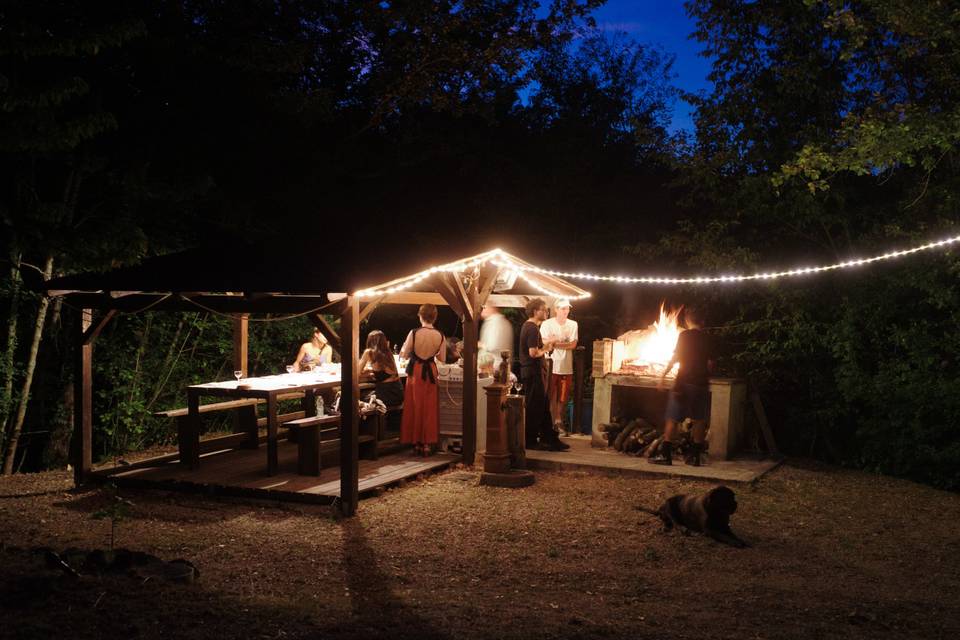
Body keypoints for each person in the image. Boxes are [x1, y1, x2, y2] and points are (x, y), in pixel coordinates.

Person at [651, 306, 713, 466]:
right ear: (703, 321)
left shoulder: (684, 335)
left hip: (683, 383)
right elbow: (711, 364)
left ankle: (666, 456)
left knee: (673, 419)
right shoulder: (708, 338)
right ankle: (695, 458)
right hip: (701, 384)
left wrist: (663, 376)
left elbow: (676, 357)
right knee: (699, 420)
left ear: (687, 320)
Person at [519, 298, 569, 451]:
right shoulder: (532, 328)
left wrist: (549, 344)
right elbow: (533, 353)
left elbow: (537, 349)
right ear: (535, 311)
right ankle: (531, 440)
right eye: (544, 309)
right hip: (533, 373)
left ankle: (549, 438)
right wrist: (547, 349)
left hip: (535, 372)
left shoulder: (530, 327)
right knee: (535, 406)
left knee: (543, 405)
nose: (547, 312)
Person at [399, 304, 446, 456]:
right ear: (435, 317)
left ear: (420, 315)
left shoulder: (414, 333)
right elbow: (442, 358)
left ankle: (416, 442)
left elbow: (404, 355)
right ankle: (427, 443)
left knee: (415, 405)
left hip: (417, 371)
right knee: (429, 407)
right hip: (431, 371)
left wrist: (404, 352)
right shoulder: (440, 335)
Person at [540, 298, 578, 434]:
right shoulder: (546, 324)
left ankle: (559, 421)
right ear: (556, 309)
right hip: (550, 364)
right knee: (550, 395)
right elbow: (544, 342)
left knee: (563, 396)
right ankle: (550, 423)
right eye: (562, 308)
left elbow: (573, 345)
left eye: (567, 308)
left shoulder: (573, 324)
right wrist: (557, 344)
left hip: (566, 366)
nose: (565, 311)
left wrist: (554, 343)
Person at [359, 330, 404, 407]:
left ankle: (368, 418)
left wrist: (365, 372)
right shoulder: (388, 353)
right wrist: (370, 371)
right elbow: (383, 372)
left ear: (370, 341)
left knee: (360, 397)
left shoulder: (369, 352)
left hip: (386, 395)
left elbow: (356, 373)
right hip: (398, 393)